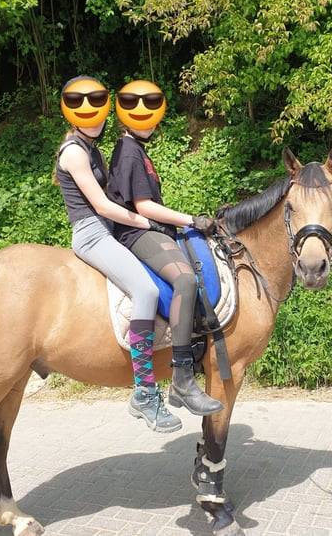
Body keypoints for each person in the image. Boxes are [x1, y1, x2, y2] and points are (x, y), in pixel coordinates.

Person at [54, 75, 182, 433]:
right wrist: (146, 222)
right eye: (84, 109)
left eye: (97, 107)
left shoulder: (91, 146)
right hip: (93, 234)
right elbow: (102, 206)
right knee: (146, 291)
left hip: (108, 231)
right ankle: (144, 389)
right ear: (70, 113)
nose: (93, 117)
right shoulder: (75, 152)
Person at [106, 79, 224, 416]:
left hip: (146, 230)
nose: (149, 121)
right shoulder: (129, 152)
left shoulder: (135, 150)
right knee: (186, 281)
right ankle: (183, 379)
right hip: (135, 234)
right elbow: (143, 206)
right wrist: (190, 219)